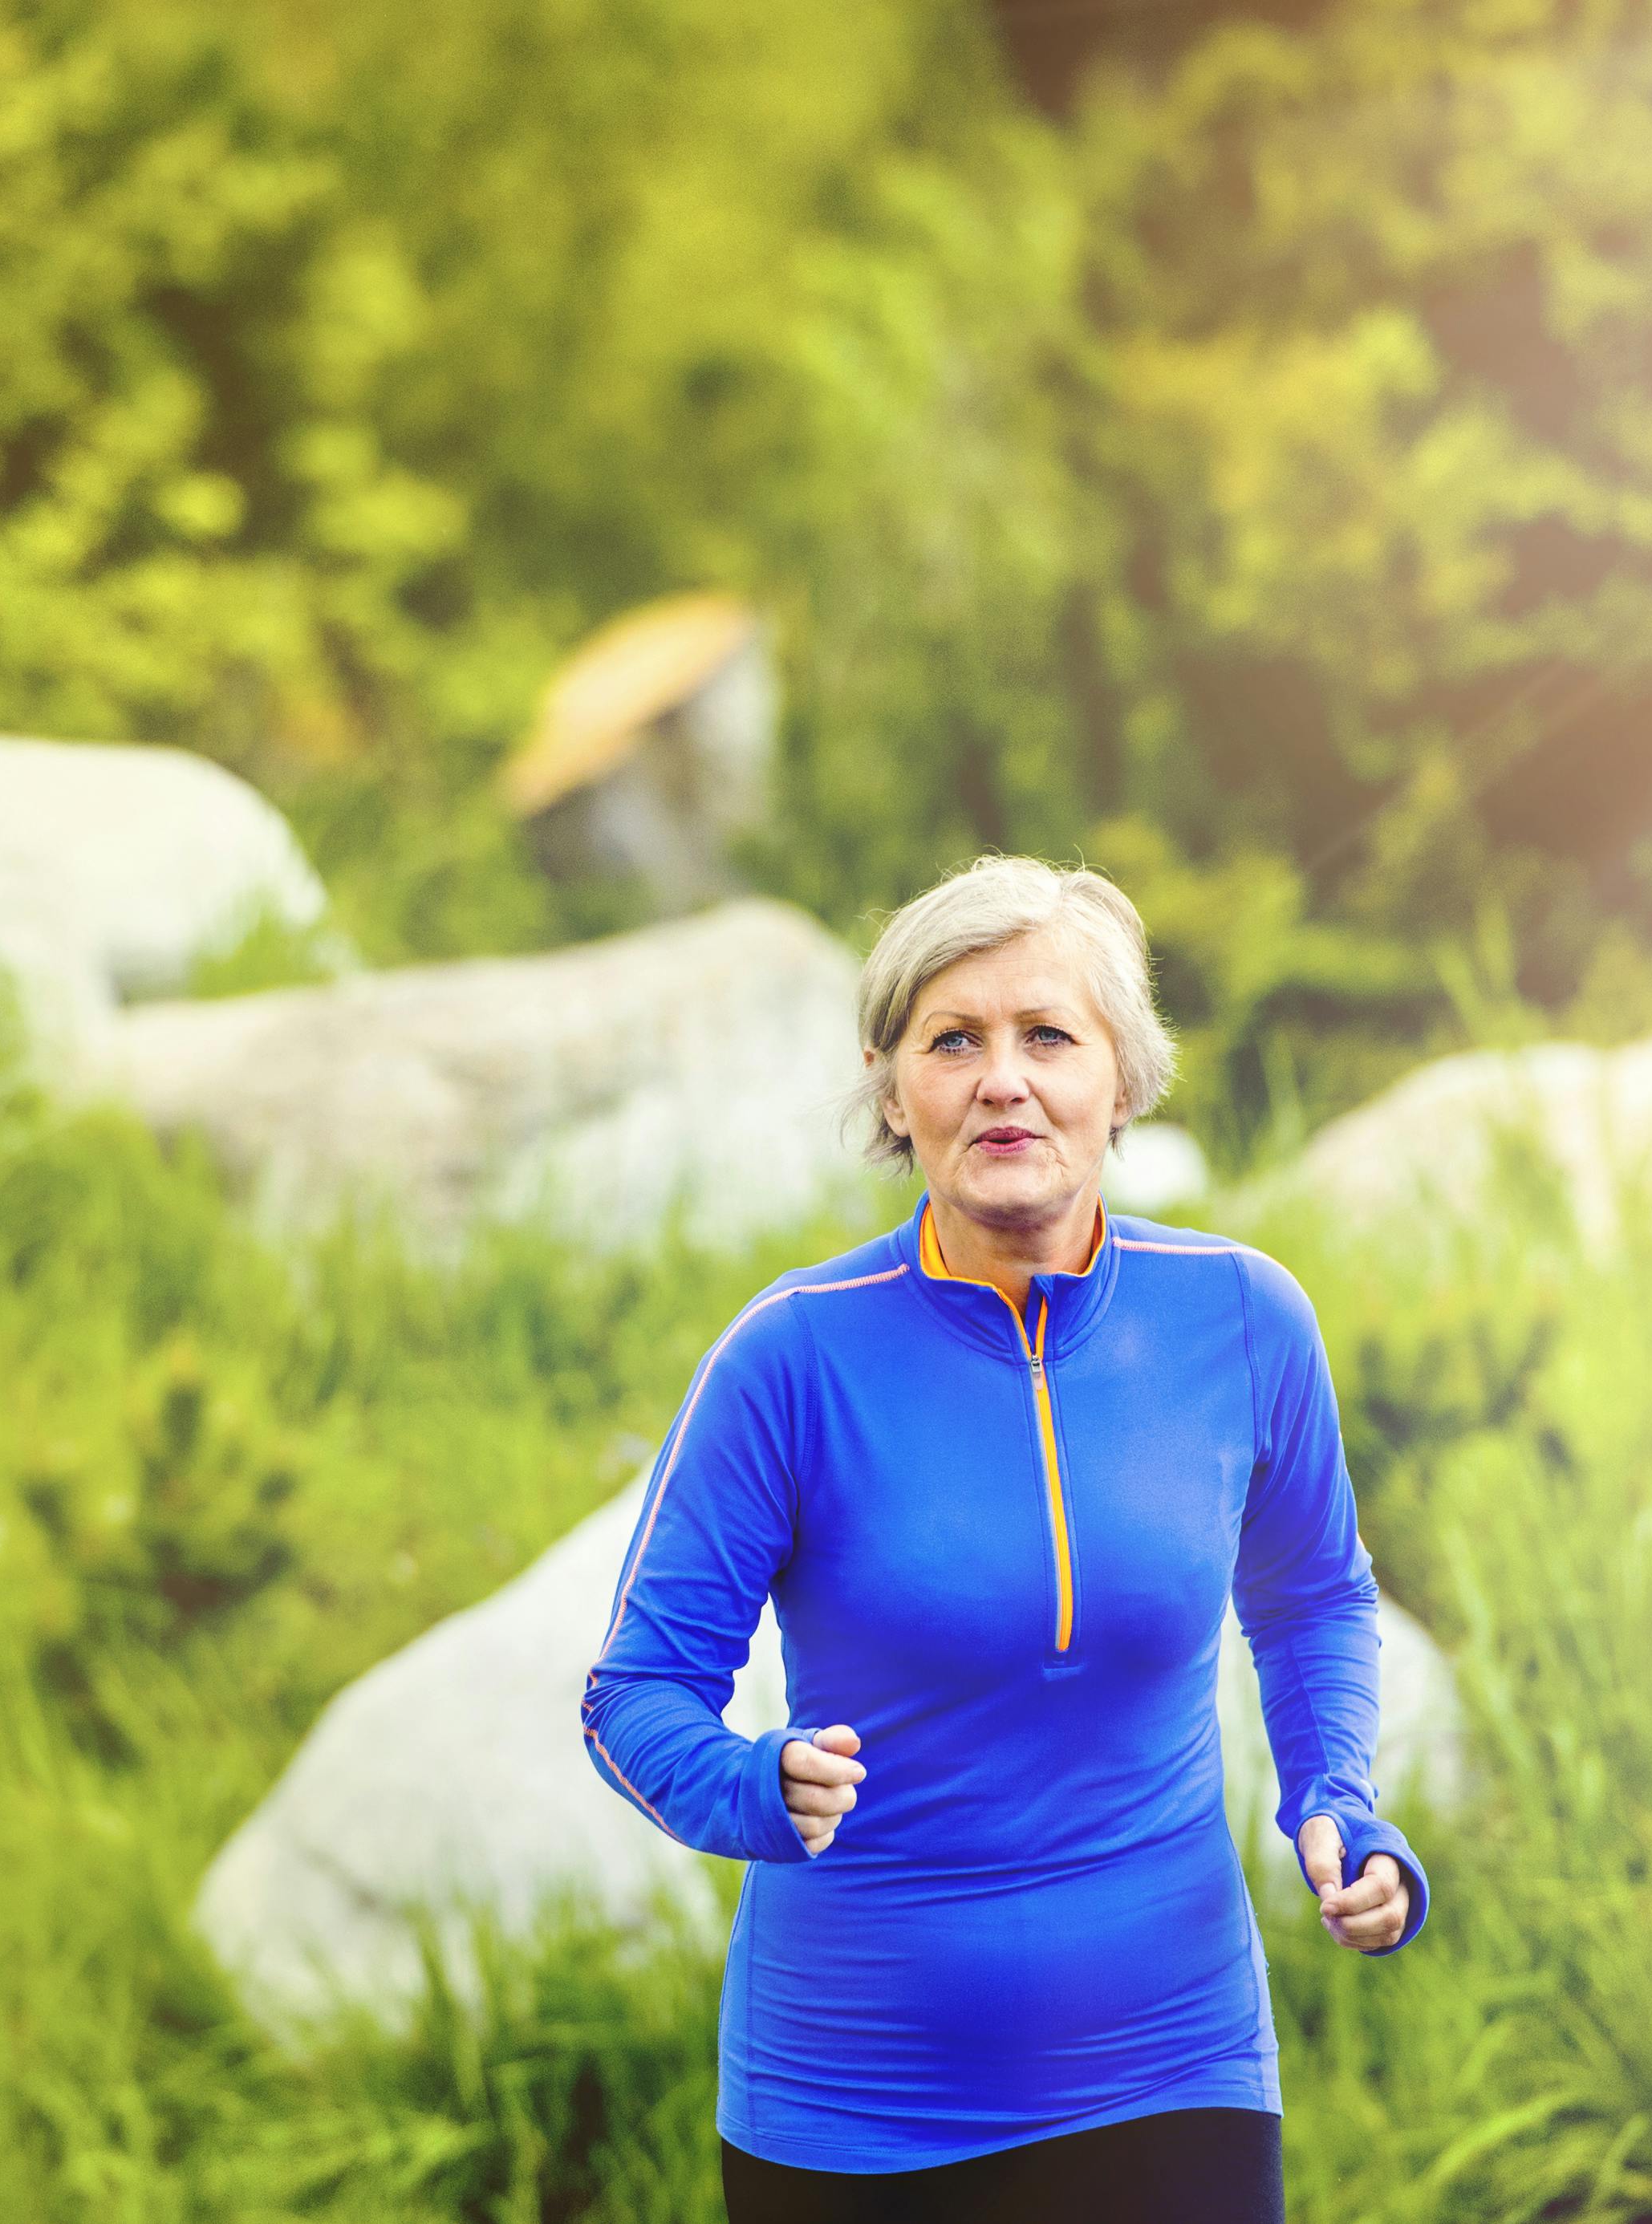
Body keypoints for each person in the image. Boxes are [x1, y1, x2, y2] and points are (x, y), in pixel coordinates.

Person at [578, 854, 1428, 2224]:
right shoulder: (791, 1358)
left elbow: (1315, 1593)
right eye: (952, 1040)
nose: (1002, 1079)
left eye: (1048, 1035)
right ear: (892, 1085)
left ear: (1124, 1076)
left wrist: (1334, 1796)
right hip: (853, 2108)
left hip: (1177, 2075)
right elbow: (633, 1695)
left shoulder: (1243, 1320)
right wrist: (753, 1788)